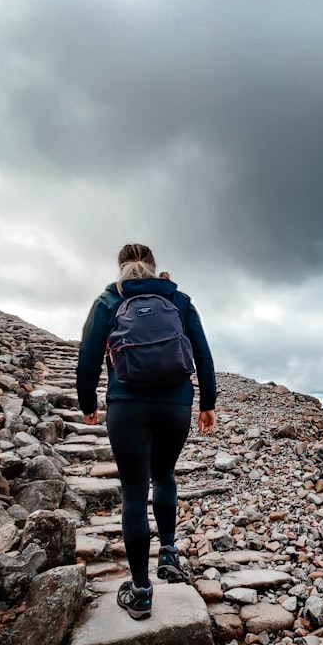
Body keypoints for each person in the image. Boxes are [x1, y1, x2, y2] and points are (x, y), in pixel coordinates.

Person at [76, 244, 216, 620]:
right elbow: (202, 353)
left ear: (120, 267)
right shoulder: (178, 299)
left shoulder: (109, 299)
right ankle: (169, 553)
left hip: (127, 404)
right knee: (165, 474)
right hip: (175, 405)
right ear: (154, 268)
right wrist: (207, 404)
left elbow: (88, 355)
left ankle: (140, 593)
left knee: (134, 491)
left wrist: (87, 403)